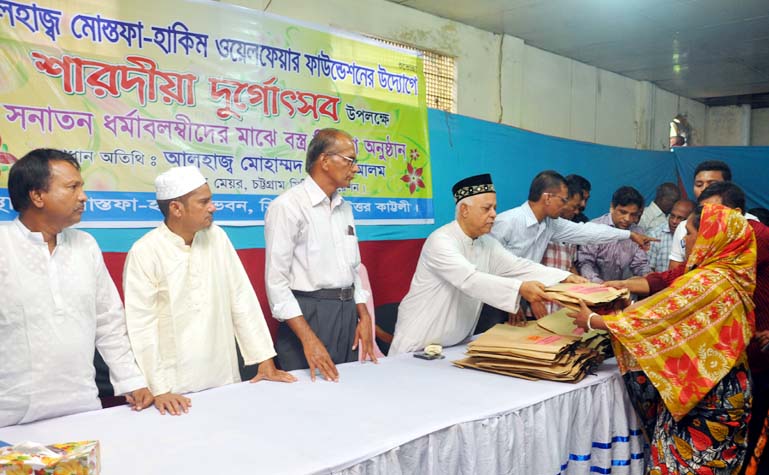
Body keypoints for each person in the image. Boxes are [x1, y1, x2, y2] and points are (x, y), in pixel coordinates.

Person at [570, 204, 756, 473]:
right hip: (725, 387)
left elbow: (658, 318)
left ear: (709, 237)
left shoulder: (708, 282)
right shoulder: (730, 277)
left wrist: (594, 321)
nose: (684, 240)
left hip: (707, 398)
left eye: (690, 233)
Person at [123, 166, 294, 416]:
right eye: (204, 202)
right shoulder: (145, 252)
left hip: (223, 376)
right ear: (176, 209)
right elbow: (141, 326)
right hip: (173, 390)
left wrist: (264, 360)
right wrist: (159, 389)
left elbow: (241, 298)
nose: (212, 207)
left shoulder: (217, 238)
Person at [0, 149, 152, 427]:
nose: (83, 196)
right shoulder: (3, 245)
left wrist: (131, 380)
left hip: (82, 408)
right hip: (11, 416)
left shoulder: (85, 246)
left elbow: (109, 322)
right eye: (72, 187)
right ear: (37, 196)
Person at [389, 173, 584, 355]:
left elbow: (517, 265)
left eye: (494, 208)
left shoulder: (486, 243)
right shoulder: (441, 241)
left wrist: (565, 277)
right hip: (418, 345)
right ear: (464, 210)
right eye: (486, 208)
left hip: (455, 346)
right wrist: (520, 288)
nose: (493, 215)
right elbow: (470, 280)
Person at [264, 128, 377, 383]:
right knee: (309, 400)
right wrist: (308, 338)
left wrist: (364, 314)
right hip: (307, 316)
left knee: (344, 390)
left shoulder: (344, 208)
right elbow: (276, 283)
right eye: (350, 160)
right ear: (324, 161)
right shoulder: (288, 207)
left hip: (346, 315)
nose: (355, 168)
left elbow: (354, 268)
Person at [489, 171, 654, 318]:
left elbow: (588, 232)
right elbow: (492, 268)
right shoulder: (507, 222)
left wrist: (629, 235)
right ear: (547, 198)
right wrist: (511, 301)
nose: (565, 206)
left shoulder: (551, 224)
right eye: (563, 200)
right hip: (496, 298)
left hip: (524, 294)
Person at [576, 186, 651, 283]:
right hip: (595, 290)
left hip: (626, 291)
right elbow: (585, 263)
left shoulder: (637, 232)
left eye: (633, 214)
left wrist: (649, 276)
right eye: (623, 212)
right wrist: (600, 284)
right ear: (612, 207)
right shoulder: (594, 228)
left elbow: (640, 264)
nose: (627, 219)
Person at [668, 160, 732, 270]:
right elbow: (674, 271)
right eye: (699, 185)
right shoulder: (684, 226)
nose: (704, 189)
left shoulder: (749, 224)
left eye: (712, 184)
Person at [646, 199, 694, 272]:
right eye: (672, 216)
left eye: (680, 218)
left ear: (691, 220)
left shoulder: (697, 237)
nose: (674, 221)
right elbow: (648, 269)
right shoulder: (655, 235)